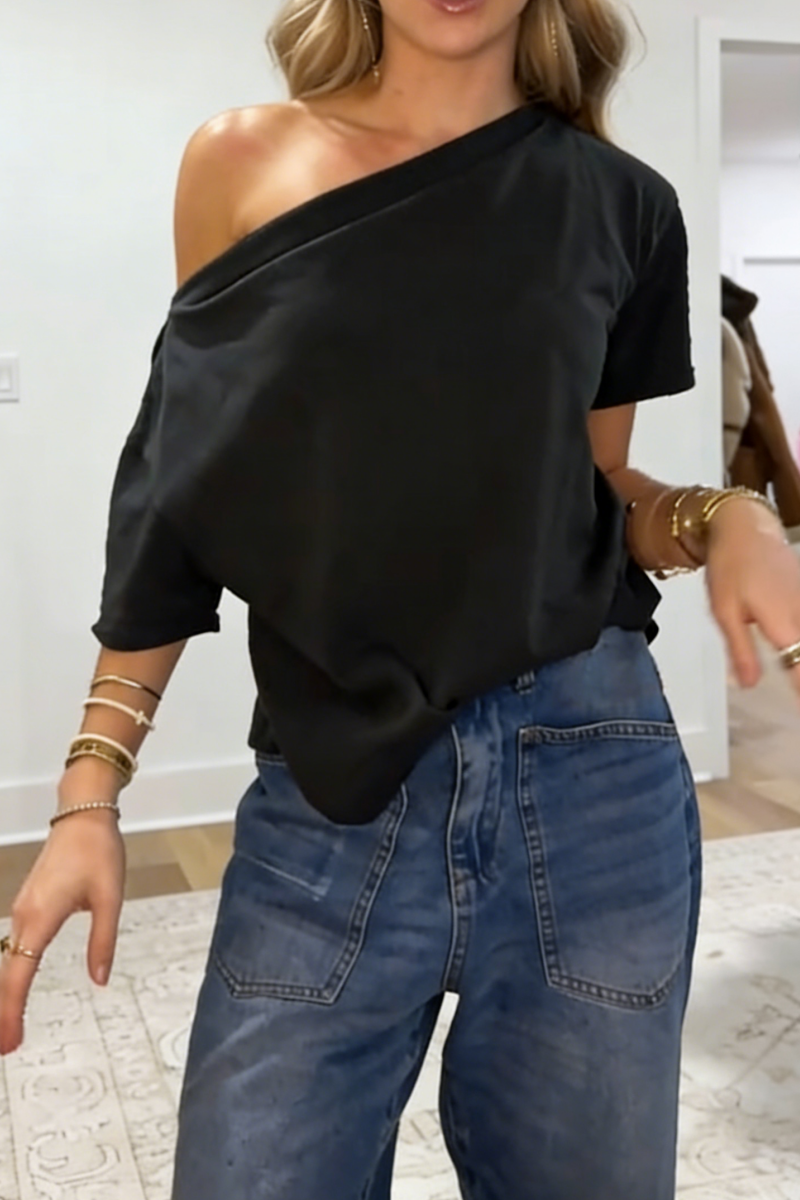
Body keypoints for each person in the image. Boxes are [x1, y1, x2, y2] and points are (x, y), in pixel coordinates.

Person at [3, 0, 800, 1196]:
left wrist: (726, 515)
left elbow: (587, 492)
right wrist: (89, 789)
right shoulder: (241, 162)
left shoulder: (622, 204)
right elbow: (179, 485)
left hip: (589, 778)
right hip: (332, 785)